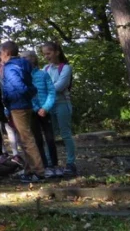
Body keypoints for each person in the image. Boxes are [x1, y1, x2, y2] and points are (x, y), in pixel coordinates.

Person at [0, 41, 44, 182]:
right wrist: (30, 92)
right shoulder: (23, 63)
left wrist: (8, 99)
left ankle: (38, 171)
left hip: (18, 105)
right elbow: (29, 84)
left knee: (26, 139)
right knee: (23, 137)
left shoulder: (10, 67)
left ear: (6, 52)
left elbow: (19, 86)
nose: (0, 56)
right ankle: (29, 169)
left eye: (1, 53)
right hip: (24, 104)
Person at [42, 41, 77, 176]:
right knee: (50, 135)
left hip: (62, 104)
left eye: (48, 53)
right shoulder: (45, 69)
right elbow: (42, 85)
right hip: (48, 106)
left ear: (57, 52)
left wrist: (46, 89)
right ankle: (50, 162)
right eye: (44, 54)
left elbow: (60, 86)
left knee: (65, 134)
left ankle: (70, 162)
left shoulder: (66, 68)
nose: (46, 56)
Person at [25, 51, 58, 178]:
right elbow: (26, 94)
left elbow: (51, 91)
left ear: (33, 59)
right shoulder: (24, 77)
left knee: (50, 138)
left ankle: (54, 165)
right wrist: (36, 108)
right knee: (37, 139)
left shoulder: (43, 74)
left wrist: (46, 107)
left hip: (46, 111)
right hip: (33, 112)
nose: (24, 61)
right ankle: (43, 165)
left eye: (26, 58)